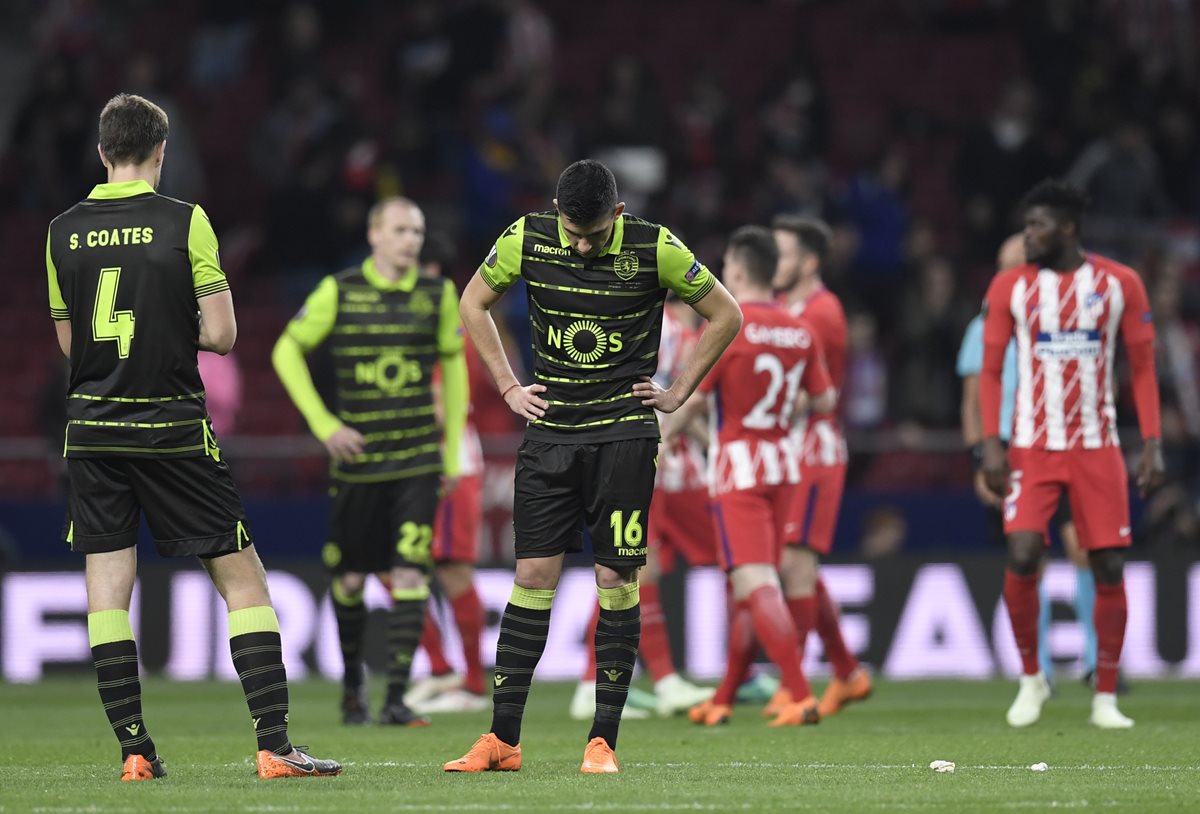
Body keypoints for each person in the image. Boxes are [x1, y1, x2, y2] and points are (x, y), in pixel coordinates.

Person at [46, 93, 340, 780]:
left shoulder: (62, 230)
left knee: (106, 589)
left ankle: (135, 751)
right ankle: (275, 746)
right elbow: (223, 333)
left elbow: (70, 342)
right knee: (245, 583)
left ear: (100, 151)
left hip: (91, 430)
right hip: (171, 427)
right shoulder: (185, 221)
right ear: (162, 151)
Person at [443, 159, 742, 774]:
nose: (580, 244)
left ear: (619, 215)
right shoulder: (526, 236)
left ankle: (602, 741)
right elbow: (472, 302)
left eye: (595, 233)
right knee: (531, 575)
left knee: (615, 580)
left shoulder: (655, 247)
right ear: (556, 212)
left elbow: (727, 313)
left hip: (623, 437)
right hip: (550, 433)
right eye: (572, 232)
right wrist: (505, 385)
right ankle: (502, 739)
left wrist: (679, 390)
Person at [272, 198, 467, 727]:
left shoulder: (438, 295)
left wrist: (449, 453)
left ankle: (397, 697)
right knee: (352, 579)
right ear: (374, 233)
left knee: (409, 571)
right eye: (401, 229)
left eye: (418, 231)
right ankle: (354, 682)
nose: (411, 240)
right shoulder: (340, 290)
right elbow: (285, 351)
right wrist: (324, 425)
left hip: (416, 460)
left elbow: (453, 372)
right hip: (358, 464)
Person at [980, 179, 1164, 730]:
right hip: (1032, 447)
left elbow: (1144, 367)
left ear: (1067, 229)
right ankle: (1032, 678)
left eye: (1036, 225)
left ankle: (1105, 694)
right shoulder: (1009, 286)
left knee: (1107, 563)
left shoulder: (1119, 283)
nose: (1027, 236)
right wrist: (992, 445)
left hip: (1097, 445)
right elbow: (990, 372)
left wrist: (1151, 442)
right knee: (1021, 552)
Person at [671, 225, 836, 728]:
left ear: (738, 271)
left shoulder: (728, 326)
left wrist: (657, 438)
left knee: (755, 580)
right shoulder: (799, 329)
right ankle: (724, 696)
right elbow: (826, 400)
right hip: (786, 465)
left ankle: (800, 693)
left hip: (738, 468)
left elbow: (691, 399)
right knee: (753, 583)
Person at [959, 233, 1101, 690]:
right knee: (1030, 558)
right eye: (1005, 264)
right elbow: (971, 402)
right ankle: (1035, 669)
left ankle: (1096, 662)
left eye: (1019, 262)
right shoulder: (982, 327)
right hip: (1013, 456)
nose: (1012, 271)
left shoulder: (1061, 314)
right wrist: (981, 457)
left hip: (1064, 446)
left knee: (1084, 549)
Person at [568, 294, 717, 721]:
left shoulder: (645, 322)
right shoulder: (675, 330)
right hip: (649, 460)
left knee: (633, 568)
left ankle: (600, 681)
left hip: (643, 458)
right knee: (630, 567)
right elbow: (689, 400)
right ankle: (646, 680)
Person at [771, 215, 872, 718]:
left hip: (814, 447)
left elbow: (804, 391)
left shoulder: (822, 311)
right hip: (789, 448)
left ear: (809, 262)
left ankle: (795, 685)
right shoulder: (789, 307)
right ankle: (848, 672)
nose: (773, 263)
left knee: (794, 564)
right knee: (798, 566)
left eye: (783, 254)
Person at [406, 233, 489, 714]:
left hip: (450, 461)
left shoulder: (452, 328)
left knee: (453, 569)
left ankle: (474, 684)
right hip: (413, 461)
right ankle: (440, 670)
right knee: (395, 565)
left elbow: (444, 406)